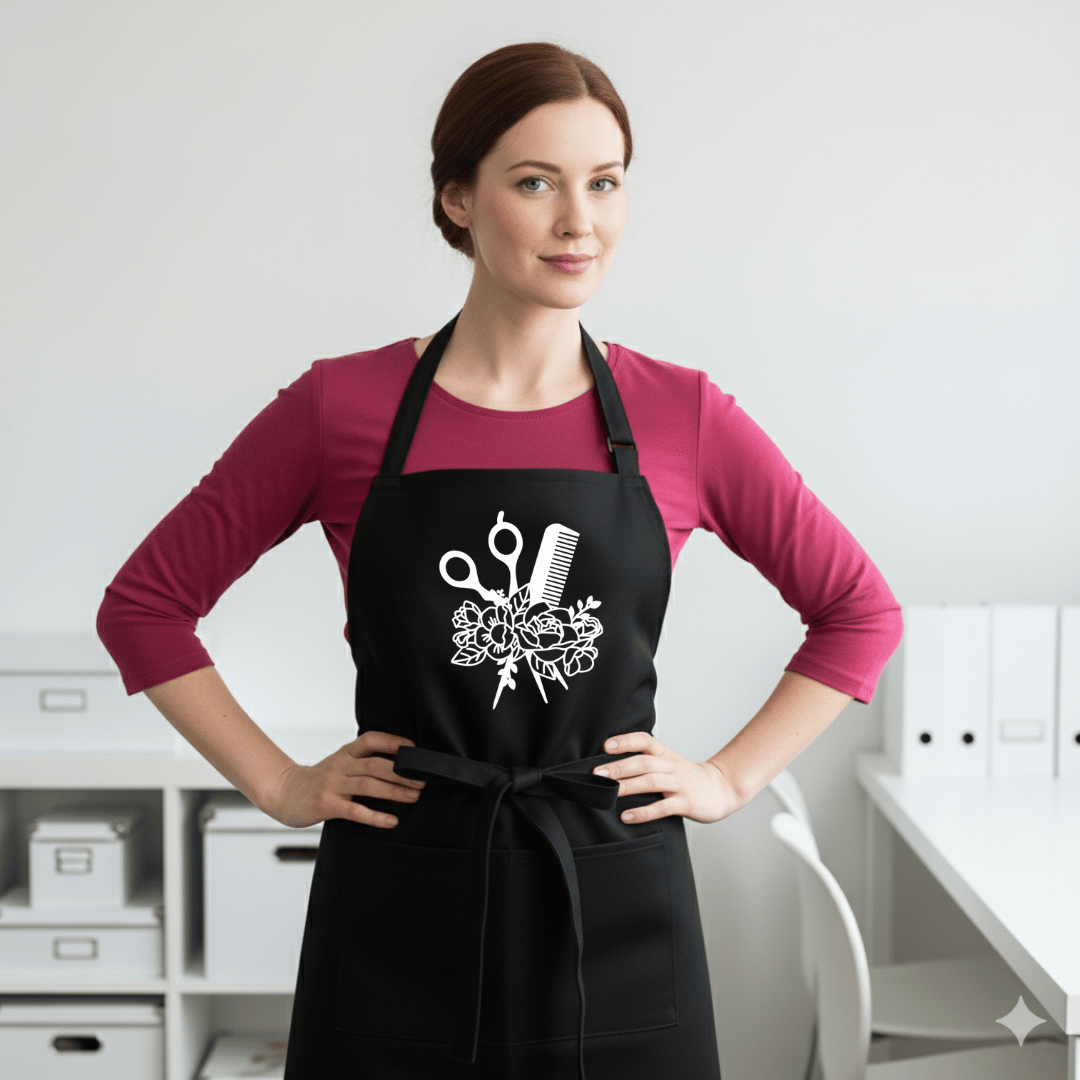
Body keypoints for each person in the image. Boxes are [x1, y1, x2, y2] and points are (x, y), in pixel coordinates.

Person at [97, 40, 902, 1080]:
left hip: (612, 897)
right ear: (458, 200)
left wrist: (727, 778)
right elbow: (146, 606)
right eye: (536, 182)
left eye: (605, 183)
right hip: (400, 895)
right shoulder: (342, 409)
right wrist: (280, 785)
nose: (581, 222)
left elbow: (858, 610)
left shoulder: (682, 416)